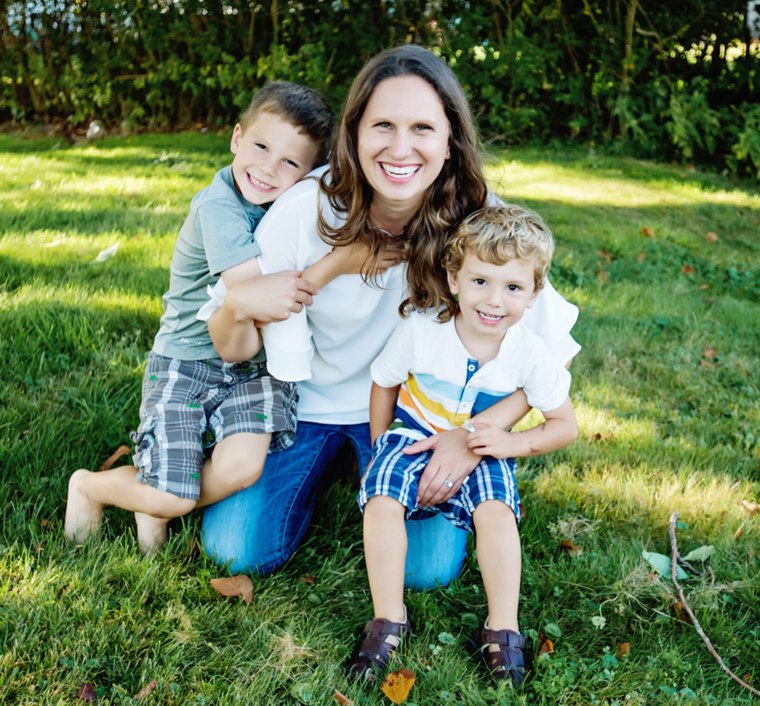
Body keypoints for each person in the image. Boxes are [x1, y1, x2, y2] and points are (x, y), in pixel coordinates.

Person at [200, 45, 581, 592]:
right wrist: (245, 302)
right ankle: (333, 463)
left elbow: (545, 352)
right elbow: (229, 333)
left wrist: (474, 434)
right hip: (301, 402)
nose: (400, 148)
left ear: (450, 140)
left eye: (422, 127)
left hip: (420, 418)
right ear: (353, 133)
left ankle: (366, 462)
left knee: (423, 572)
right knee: (233, 551)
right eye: (382, 125)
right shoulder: (306, 208)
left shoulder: (481, 219)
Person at [64, 81, 342, 553]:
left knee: (242, 468)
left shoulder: (289, 207)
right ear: (236, 138)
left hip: (252, 367)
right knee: (171, 493)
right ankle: (94, 487)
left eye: (290, 162)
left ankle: (150, 497)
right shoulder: (219, 207)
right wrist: (343, 260)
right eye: (260, 146)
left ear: (309, 174)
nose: (268, 169)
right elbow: (255, 293)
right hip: (188, 361)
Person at [347, 204, 578, 685]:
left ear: (534, 294)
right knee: (383, 498)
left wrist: (510, 445)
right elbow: (383, 382)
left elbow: (563, 425)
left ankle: (502, 628)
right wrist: (378, 447)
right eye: (480, 282)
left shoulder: (530, 355)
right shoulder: (421, 331)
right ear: (453, 278)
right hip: (412, 434)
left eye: (513, 287)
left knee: (496, 510)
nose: (494, 301)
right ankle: (389, 619)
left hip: (489, 448)